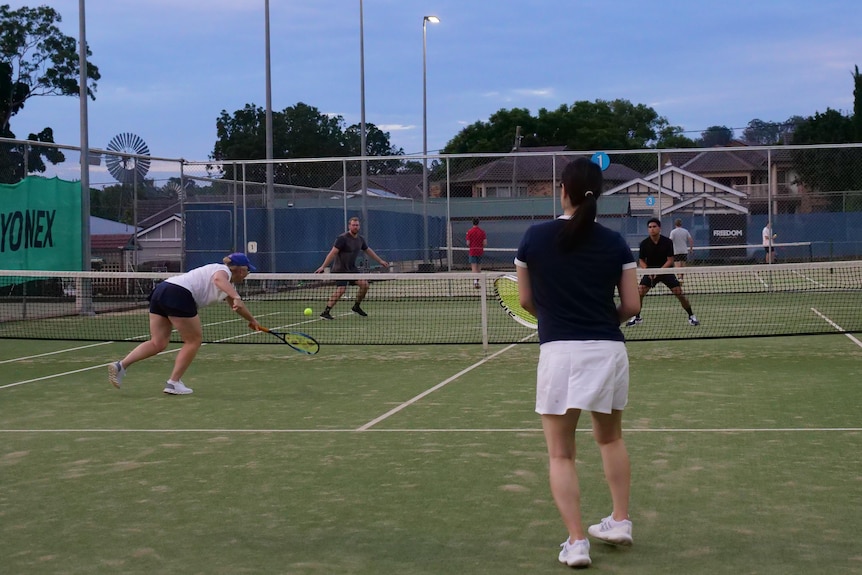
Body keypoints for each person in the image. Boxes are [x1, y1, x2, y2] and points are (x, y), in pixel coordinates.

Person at [515, 157, 641, 568]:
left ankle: (576, 542)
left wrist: (554, 316)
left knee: (561, 454)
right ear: (598, 193)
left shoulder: (533, 238)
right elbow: (631, 305)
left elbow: (526, 301)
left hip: (559, 352)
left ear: (563, 191)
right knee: (610, 439)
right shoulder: (616, 243)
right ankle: (620, 521)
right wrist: (604, 319)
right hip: (608, 350)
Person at [107, 253, 262, 395]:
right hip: (179, 294)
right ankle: (173, 383)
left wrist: (252, 320)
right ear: (241, 270)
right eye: (248, 271)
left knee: (158, 343)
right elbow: (218, 280)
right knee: (193, 340)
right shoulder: (222, 271)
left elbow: (235, 306)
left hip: (162, 291)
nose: (247, 275)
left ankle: (121, 365)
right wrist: (236, 297)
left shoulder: (227, 286)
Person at [625, 218, 699, 327]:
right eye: (650, 227)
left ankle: (691, 316)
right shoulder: (644, 244)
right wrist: (648, 271)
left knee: (679, 293)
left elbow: (670, 260)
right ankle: (637, 317)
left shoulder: (667, 242)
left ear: (659, 228)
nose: (652, 229)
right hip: (650, 272)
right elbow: (641, 261)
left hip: (666, 271)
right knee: (639, 292)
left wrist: (659, 271)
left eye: (654, 227)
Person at [316, 216, 389, 319]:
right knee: (341, 290)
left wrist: (380, 261)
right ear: (349, 226)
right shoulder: (342, 238)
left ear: (359, 227)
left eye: (357, 225)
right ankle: (326, 312)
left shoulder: (360, 239)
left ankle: (356, 306)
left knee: (365, 285)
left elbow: (368, 250)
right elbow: (332, 253)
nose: (355, 227)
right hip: (340, 270)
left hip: (352, 270)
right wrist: (323, 266)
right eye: (353, 225)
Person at [466, 218, 487, 289]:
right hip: (480, 251)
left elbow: (468, 243)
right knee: (479, 267)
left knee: (474, 267)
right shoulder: (482, 232)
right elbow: (485, 243)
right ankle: (477, 281)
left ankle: (475, 282)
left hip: (472, 251)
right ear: (478, 223)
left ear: (472, 223)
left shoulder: (469, 232)